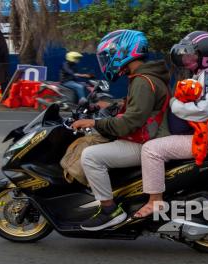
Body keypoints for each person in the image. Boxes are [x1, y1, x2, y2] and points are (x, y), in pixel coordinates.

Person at [71, 30, 170, 231]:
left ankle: (109, 210)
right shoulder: (145, 76)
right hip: (147, 138)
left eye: (108, 56)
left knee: (90, 156)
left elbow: (129, 123)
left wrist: (93, 123)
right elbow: (135, 108)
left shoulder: (143, 81)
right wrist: (104, 106)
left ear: (124, 52)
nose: (106, 61)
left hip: (144, 142)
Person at [134, 31, 208, 218]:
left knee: (150, 149)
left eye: (191, 54)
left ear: (207, 56)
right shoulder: (202, 74)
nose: (186, 58)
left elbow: (204, 109)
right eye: (185, 53)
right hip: (203, 134)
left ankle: (155, 201)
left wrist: (174, 104)